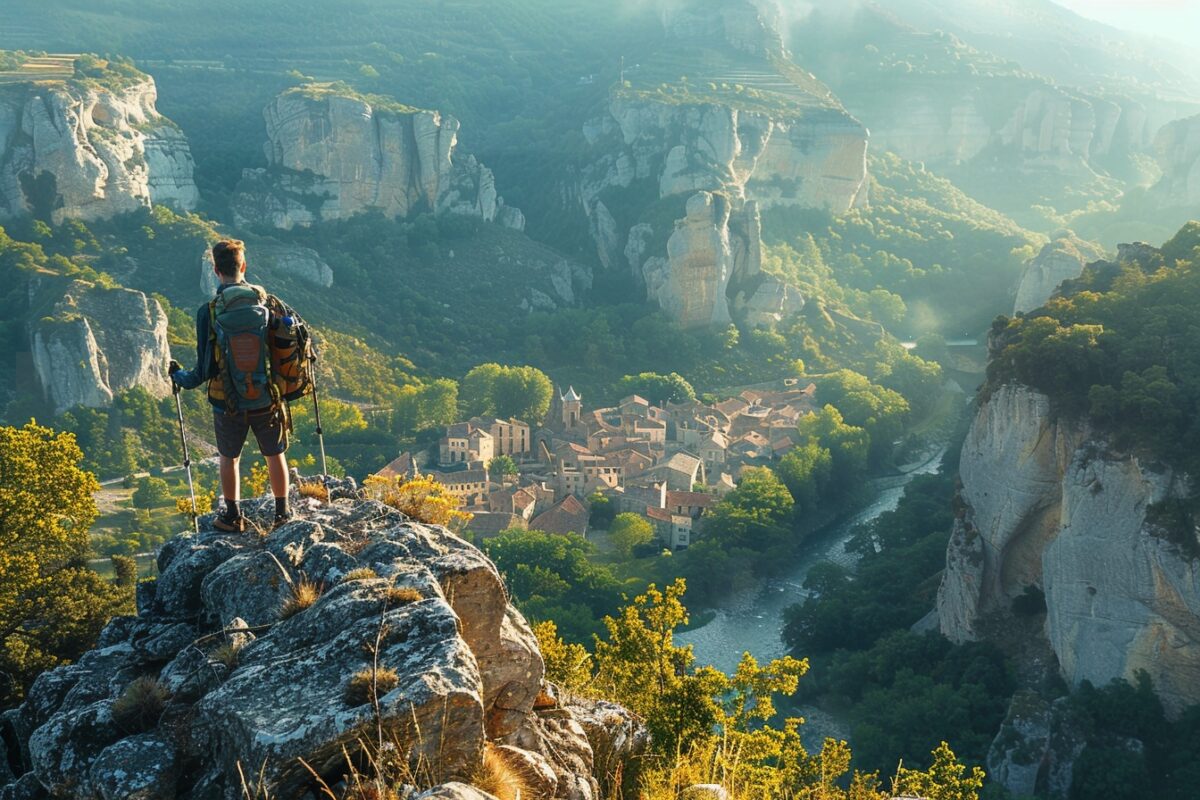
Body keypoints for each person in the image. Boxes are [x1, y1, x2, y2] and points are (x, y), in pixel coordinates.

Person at [170, 239, 292, 532]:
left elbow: (202, 370)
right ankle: (283, 513)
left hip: (228, 401)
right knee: (275, 454)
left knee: (229, 457)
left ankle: (232, 517)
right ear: (243, 266)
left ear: (215, 270)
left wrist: (178, 376)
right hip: (267, 397)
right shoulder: (267, 301)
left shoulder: (208, 312)